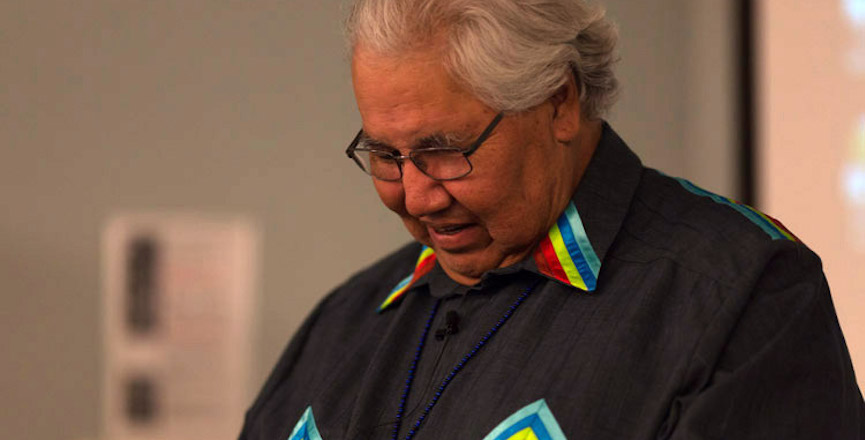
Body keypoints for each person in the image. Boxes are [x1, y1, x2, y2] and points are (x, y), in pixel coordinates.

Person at [239, 0, 865, 438]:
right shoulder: (346, 319)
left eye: (444, 152)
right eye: (384, 156)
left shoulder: (741, 293)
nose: (416, 197)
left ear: (559, 103)